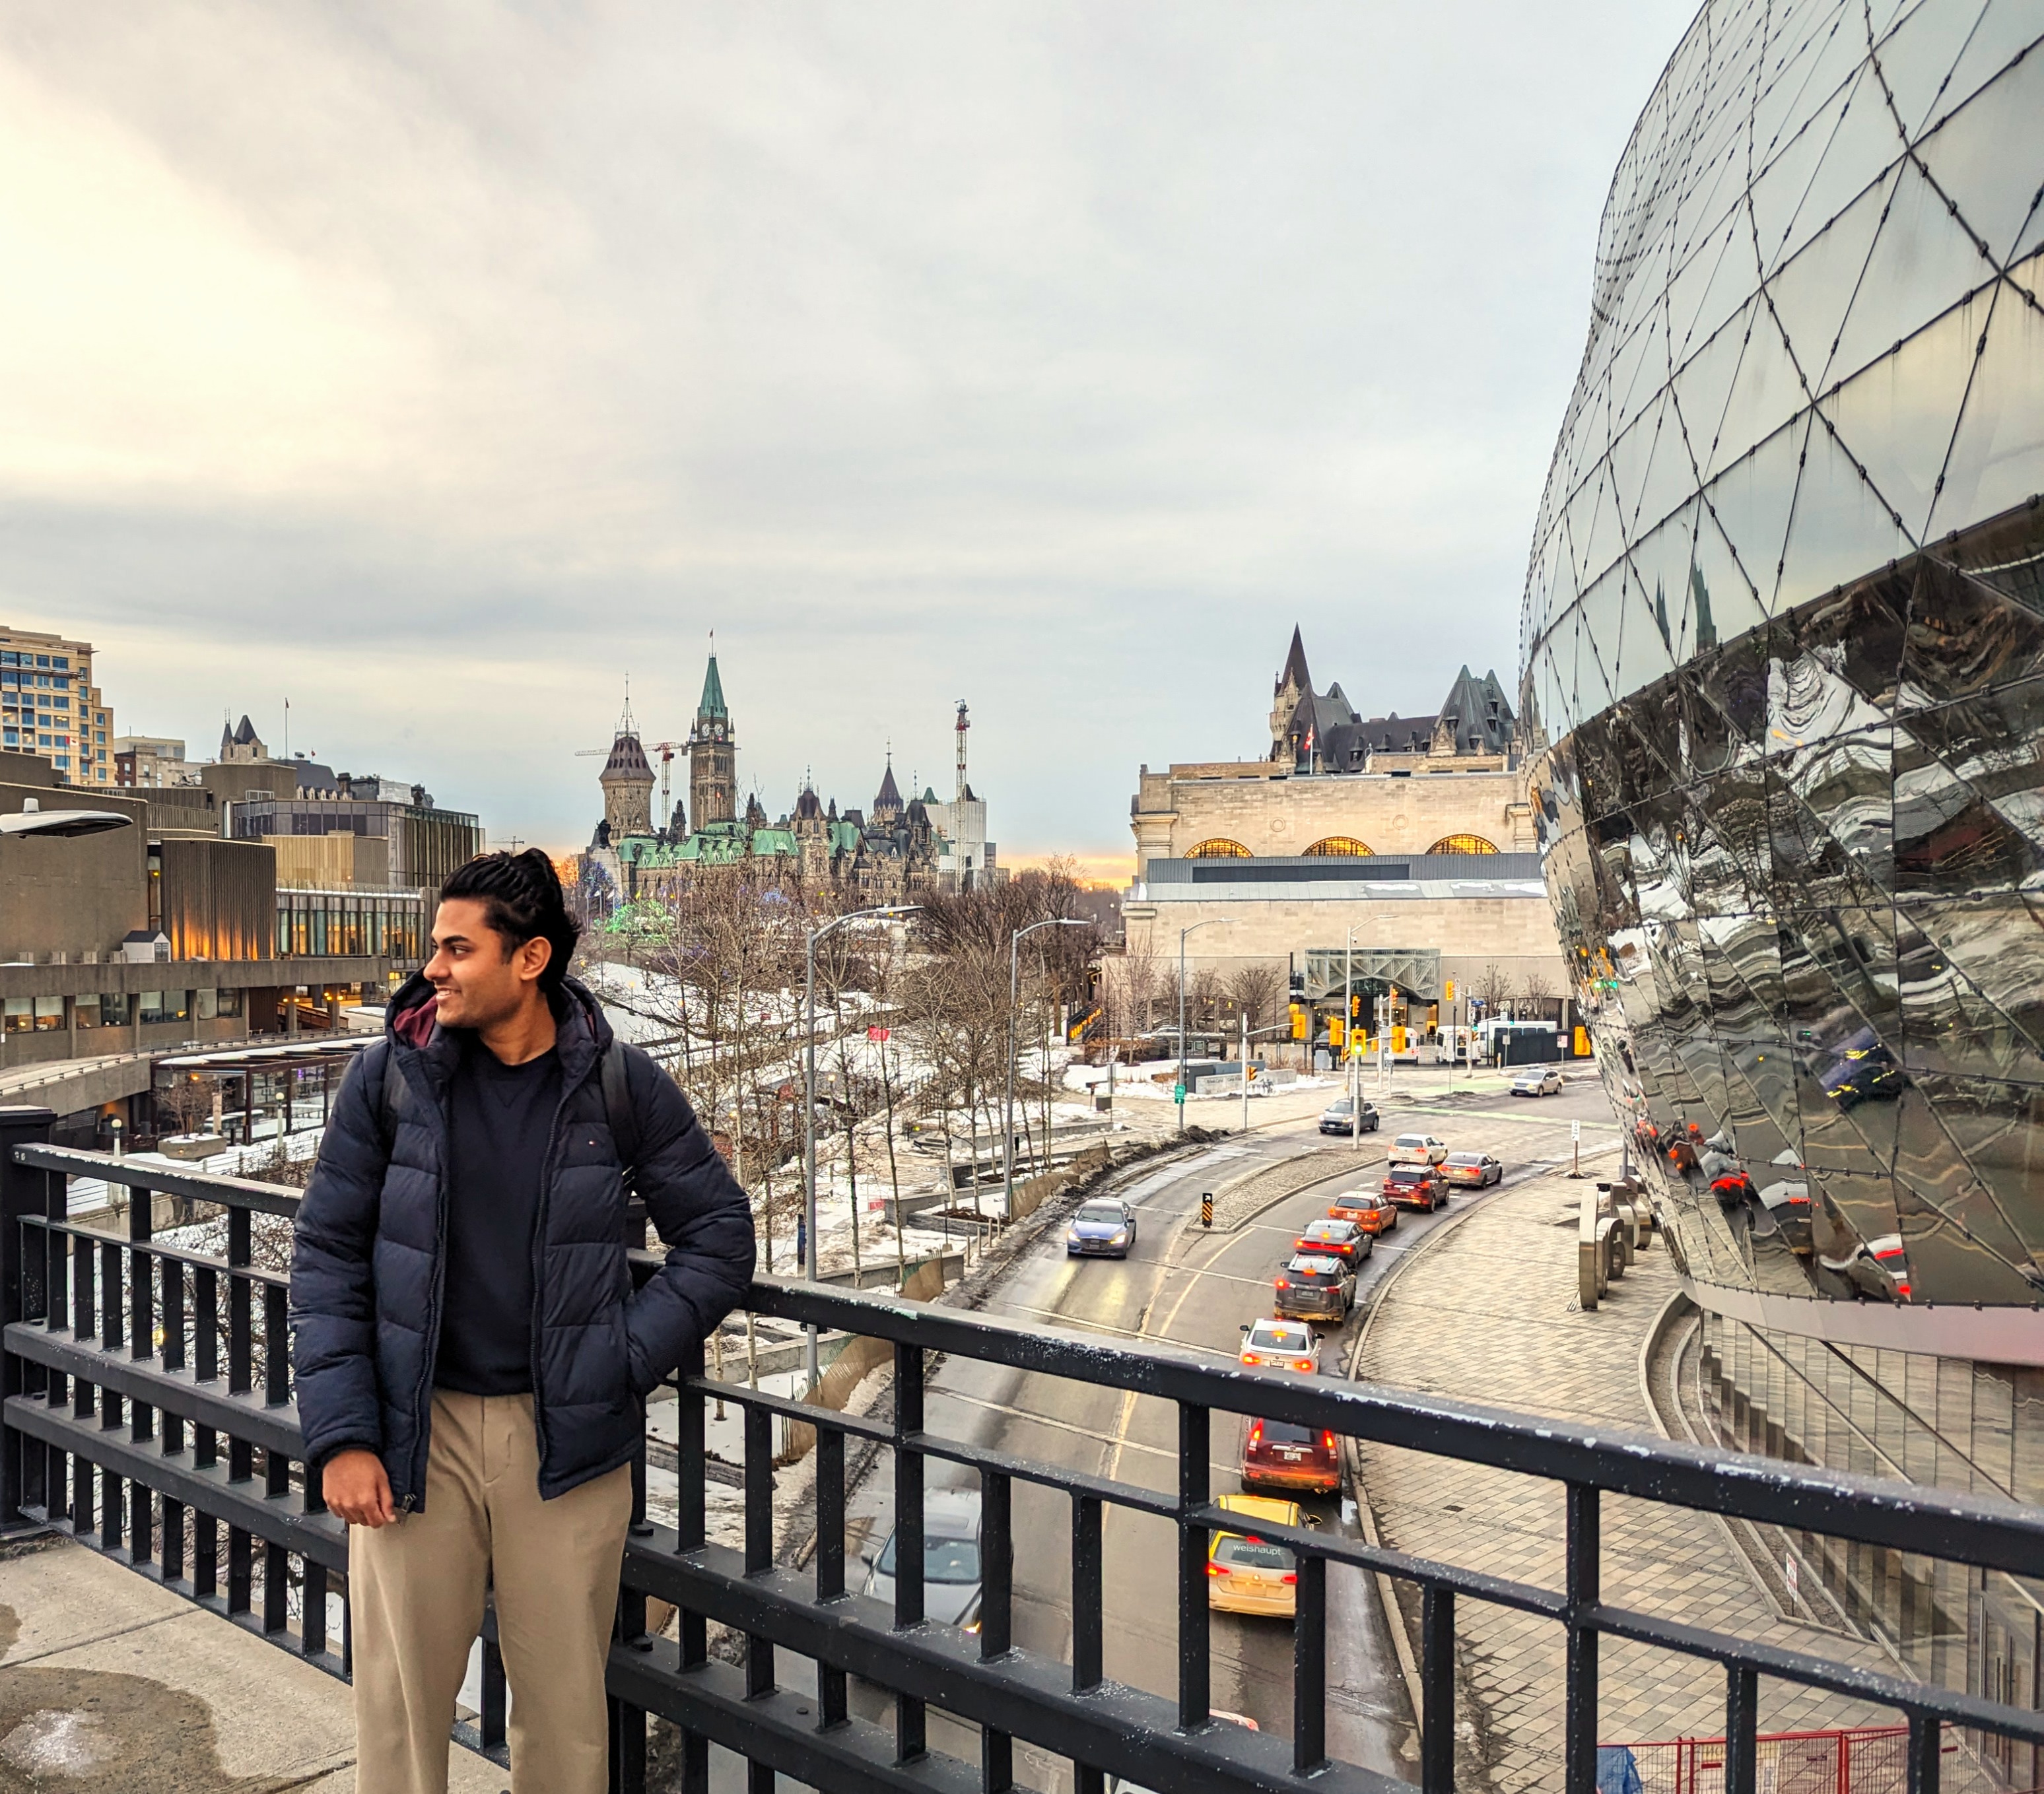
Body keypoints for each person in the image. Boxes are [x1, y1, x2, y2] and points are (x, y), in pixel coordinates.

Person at [290, 849, 755, 1794]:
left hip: (567, 1449)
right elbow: (326, 1255)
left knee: (567, 1726)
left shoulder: (621, 1085)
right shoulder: (388, 1081)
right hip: (418, 1441)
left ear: (531, 957)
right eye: (434, 946)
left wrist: (620, 1357)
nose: (434, 968)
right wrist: (342, 1433)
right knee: (401, 1719)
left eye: (458, 949)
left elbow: (719, 1235)